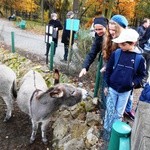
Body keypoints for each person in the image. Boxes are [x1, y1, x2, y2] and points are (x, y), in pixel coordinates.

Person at [104, 28, 146, 137]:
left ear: (132, 43)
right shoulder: (116, 53)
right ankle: (106, 132)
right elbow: (108, 69)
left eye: (123, 44)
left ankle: (114, 134)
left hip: (125, 91)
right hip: (112, 88)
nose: (120, 46)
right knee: (109, 111)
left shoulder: (139, 58)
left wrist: (133, 83)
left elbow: (142, 74)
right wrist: (107, 84)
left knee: (118, 113)